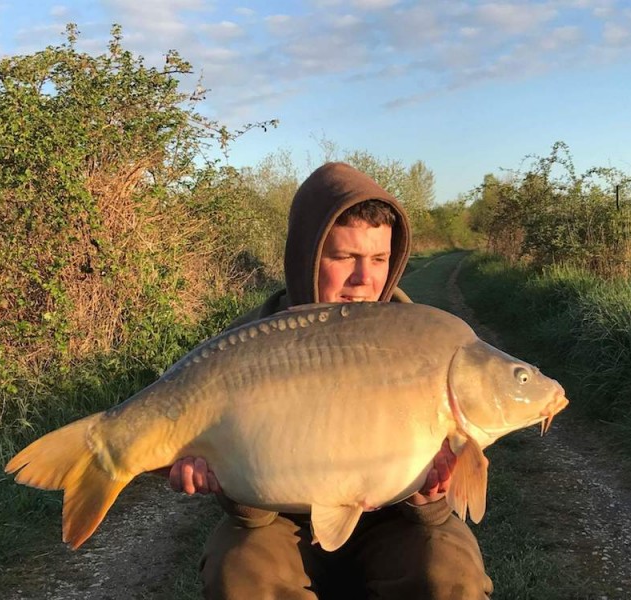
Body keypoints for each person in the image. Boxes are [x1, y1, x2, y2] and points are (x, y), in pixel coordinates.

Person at [167, 162, 494, 599]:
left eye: (379, 259)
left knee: (451, 574)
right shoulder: (245, 346)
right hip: (280, 518)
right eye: (344, 258)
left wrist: (428, 496)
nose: (364, 280)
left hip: (395, 520)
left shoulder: (427, 346)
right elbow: (251, 511)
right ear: (306, 256)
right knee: (241, 572)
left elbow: (434, 510)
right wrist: (224, 482)